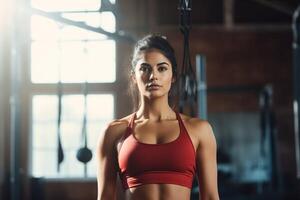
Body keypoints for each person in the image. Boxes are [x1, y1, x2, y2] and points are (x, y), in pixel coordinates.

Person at [96, 34, 219, 200]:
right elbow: (105, 197)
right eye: (145, 69)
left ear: (173, 76)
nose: (153, 76)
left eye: (161, 68)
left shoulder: (199, 130)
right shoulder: (113, 132)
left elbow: (211, 196)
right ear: (134, 76)